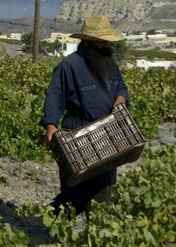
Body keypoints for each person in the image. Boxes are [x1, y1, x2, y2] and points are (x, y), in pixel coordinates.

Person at [39, 15, 129, 218]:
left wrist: (120, 99)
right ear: (87, 42)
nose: (106, 45)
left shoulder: (110, 64)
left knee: (103, 186)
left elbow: (121, 88)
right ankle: (54, 223)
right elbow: (55, 95)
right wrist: (51, 127)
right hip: (77, 131)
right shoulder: (70, 65)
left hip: (108, 131)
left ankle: (96, 236)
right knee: (75, 187)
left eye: (107, 40)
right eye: (101, 40)